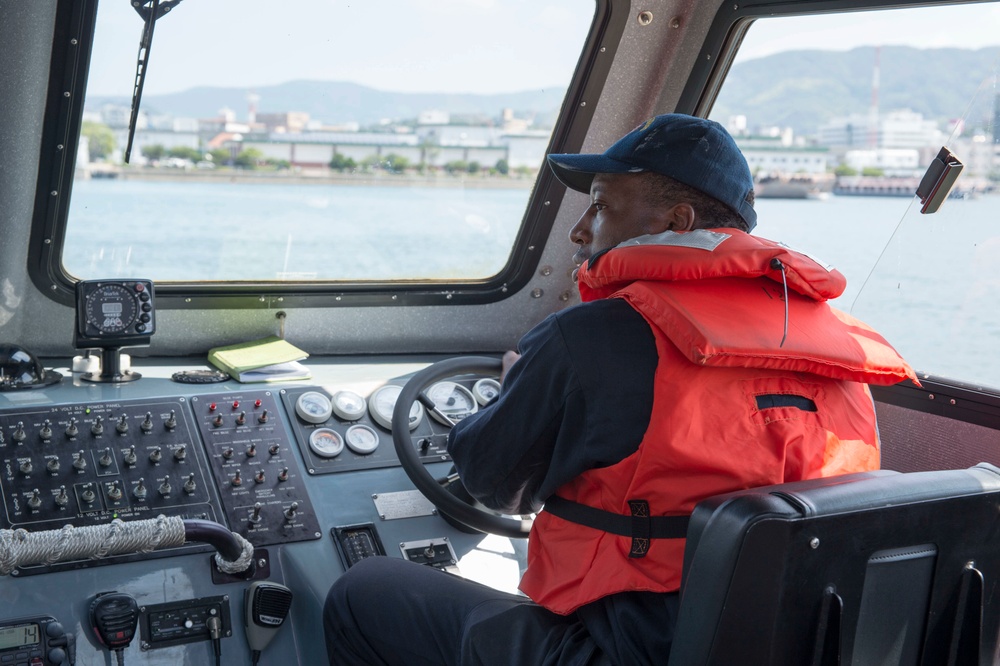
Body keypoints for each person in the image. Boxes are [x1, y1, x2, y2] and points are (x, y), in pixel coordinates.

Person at [323, 114, 917, 665]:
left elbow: (491, 482)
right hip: (789, 645)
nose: (580, 229)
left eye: (602, 206)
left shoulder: (591, 338)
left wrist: (514, 393)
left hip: (624, 650)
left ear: (676, 221)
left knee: (361, 592)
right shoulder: (838, 341)